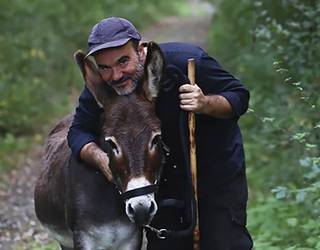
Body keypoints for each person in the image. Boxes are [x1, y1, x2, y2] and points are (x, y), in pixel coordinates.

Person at [67, 17, 253, 250]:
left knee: (223, 242)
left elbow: (239, 96)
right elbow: (77, 132)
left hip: (212, 170)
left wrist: (206, 103)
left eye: (123, 61)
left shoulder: (184, 61)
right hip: (159, 182)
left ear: (141, 50)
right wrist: (102, 160)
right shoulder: (103, 89)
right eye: (105, 67)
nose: (116, 75)